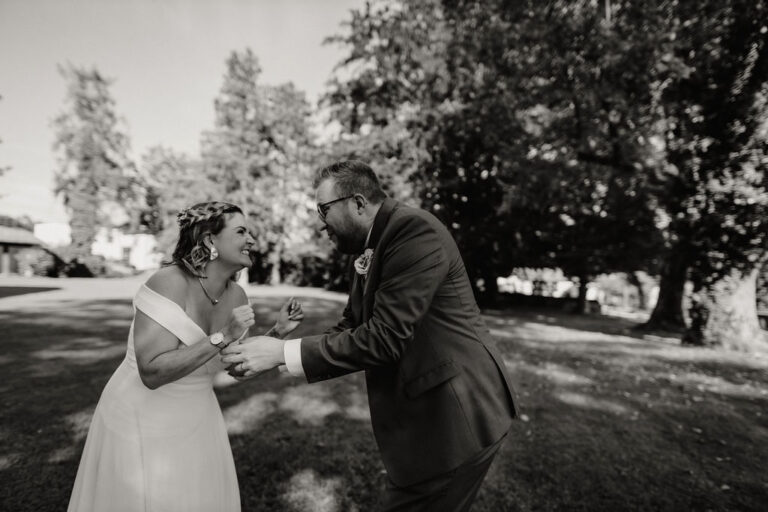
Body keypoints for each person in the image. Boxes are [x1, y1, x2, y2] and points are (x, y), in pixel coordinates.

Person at [222, 161, 519, 511]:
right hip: (431, 417)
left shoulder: (413, 232)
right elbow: (353, 324)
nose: (320, 223)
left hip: (455, 417)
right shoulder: (369, 247)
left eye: (324, 209)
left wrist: (281, 352)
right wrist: (273, 357)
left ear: (359, 203)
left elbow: (384, 338)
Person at [68, 201, 303, 512]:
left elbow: (237, 368)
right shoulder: (168, 282)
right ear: (210, 241)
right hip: (138, 418)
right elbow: (151, 373)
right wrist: (223, 336)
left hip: (198, 420)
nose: (251, 240)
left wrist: (279, 332)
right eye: (241, 231)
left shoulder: (237, 296)